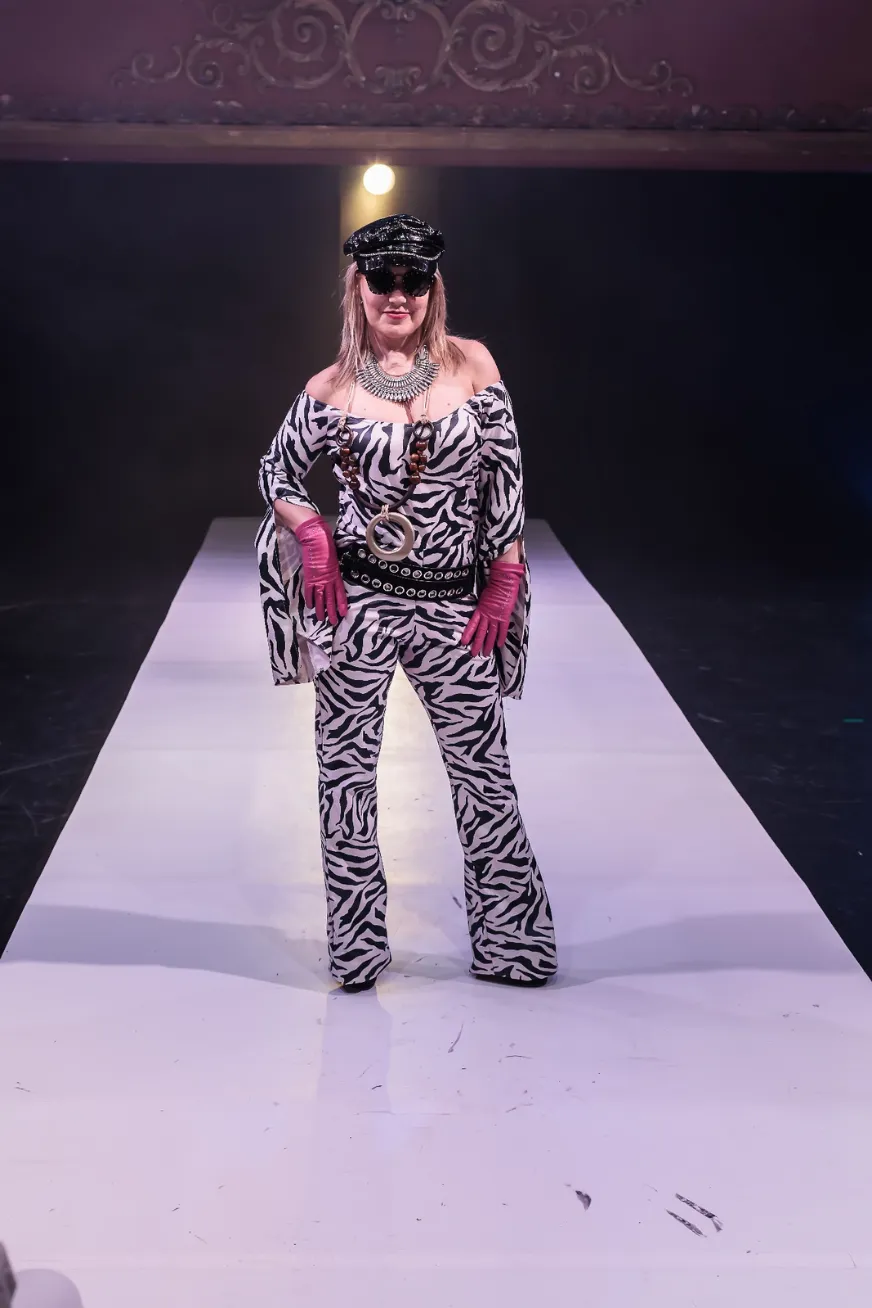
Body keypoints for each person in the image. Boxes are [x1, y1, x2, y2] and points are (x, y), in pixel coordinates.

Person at [257, 213, 557, 992]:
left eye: (413, 280)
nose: (398, 294)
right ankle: (356, 951)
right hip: (358, 611)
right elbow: (276, 470)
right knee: (345, 779)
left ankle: (514, 944)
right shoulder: (331, 389)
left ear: (432, 288)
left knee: (483, 773)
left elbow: (507, 478)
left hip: (455, 609)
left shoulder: (472, 366)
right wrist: (311, 532)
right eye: (382, 279)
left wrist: (505, 572)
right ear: (356, 286)